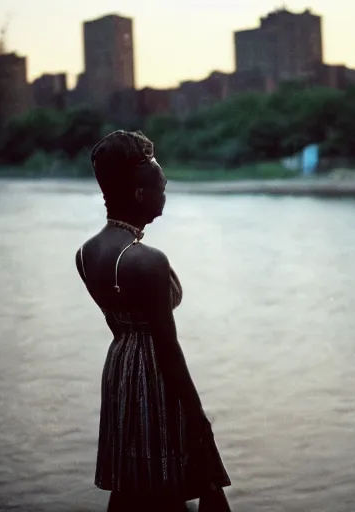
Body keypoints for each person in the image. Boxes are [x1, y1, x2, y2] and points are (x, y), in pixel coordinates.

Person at [75, 130, 231, 511]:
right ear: (140, 194)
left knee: (132, 479)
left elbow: (118, 323)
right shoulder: (147, 260)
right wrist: (198, 420)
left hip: (120, 365)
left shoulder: (85, 253)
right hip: (154, 372)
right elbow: (167, 346)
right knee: (177, 475)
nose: (165, 192)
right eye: (161, 186)